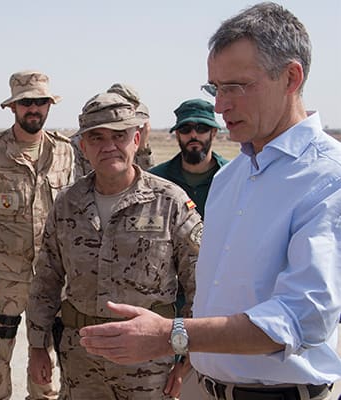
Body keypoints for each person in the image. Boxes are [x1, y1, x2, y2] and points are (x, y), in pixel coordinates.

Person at [78, 3, 341, 400]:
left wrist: (171, 335)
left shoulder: (328, 179)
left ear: (290, 77)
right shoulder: (231, 178)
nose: (220, 106)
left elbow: (301, 318)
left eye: (236, 86)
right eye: (215, 88)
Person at [26, 92, 201, 399]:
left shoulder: (169, 201)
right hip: (81, 361)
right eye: (96, 137)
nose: (108, 146)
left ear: (136, 139)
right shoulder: (68, 203)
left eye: (119, 135)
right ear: (83, 146)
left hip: (149, 363)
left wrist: (187, 356)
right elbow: (46, 279)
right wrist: (38, 346)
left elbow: (200, 283)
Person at [0, 70, 73, 400]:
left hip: (52, 278)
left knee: (48, 355)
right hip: (4, 279)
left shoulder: (65, 152)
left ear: (49, 106)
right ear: (13, 107)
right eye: (26, 102)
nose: (34, 109)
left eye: (40, 102)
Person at [149, 99, 228, 219]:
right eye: (185, 129)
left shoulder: (232, 176)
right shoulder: (156, 180)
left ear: (213, 132)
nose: (193, 135)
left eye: (201, 128)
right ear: (177, 135)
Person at [70, 83, 154, 179]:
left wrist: (142, 149)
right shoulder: (76, 146)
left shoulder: (132, 141)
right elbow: (74, 186)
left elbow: (147, 183)